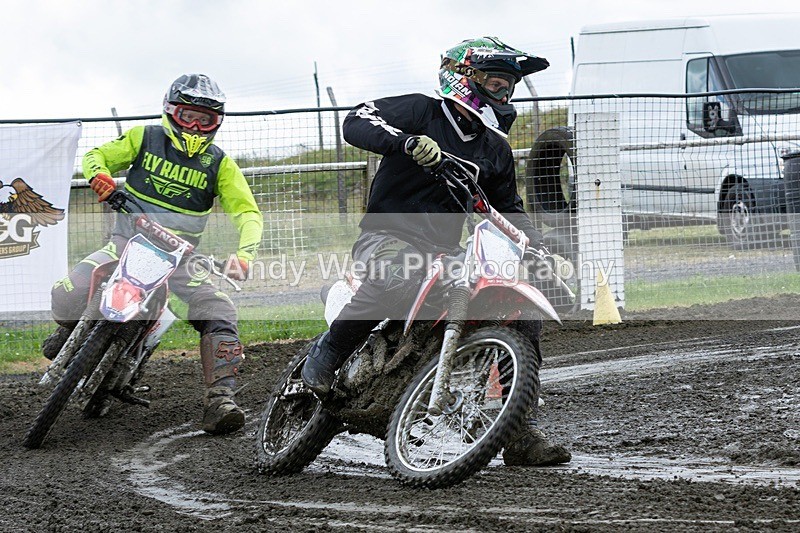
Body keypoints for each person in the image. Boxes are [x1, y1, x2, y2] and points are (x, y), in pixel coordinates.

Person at [301, 37, 571, 466]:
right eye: (497, 84)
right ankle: (328, 352)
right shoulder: (422, 111)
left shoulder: (495, 148)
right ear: (465, 78)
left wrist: (537, 248)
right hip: (387, 234)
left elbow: (509, 208)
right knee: (399, 273)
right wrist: (405, 142)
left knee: (523, 315)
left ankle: (518, 432)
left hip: (445, 250)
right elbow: (356, 120)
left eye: (509, 88)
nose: (504, 95)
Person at [45, 74, 263, 435]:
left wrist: (244, 254)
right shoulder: (143, 138)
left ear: (217, 123)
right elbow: (97, 154)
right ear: (170, 112)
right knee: (65, 292)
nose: (195, 126)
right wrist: (99, 176)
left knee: (221, 311)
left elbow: (248, 212)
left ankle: (220, 400)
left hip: (181, 261)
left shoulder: (219, 164)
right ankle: (70, 333)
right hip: (124, 243)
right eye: (188, 116)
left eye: (205, 120)